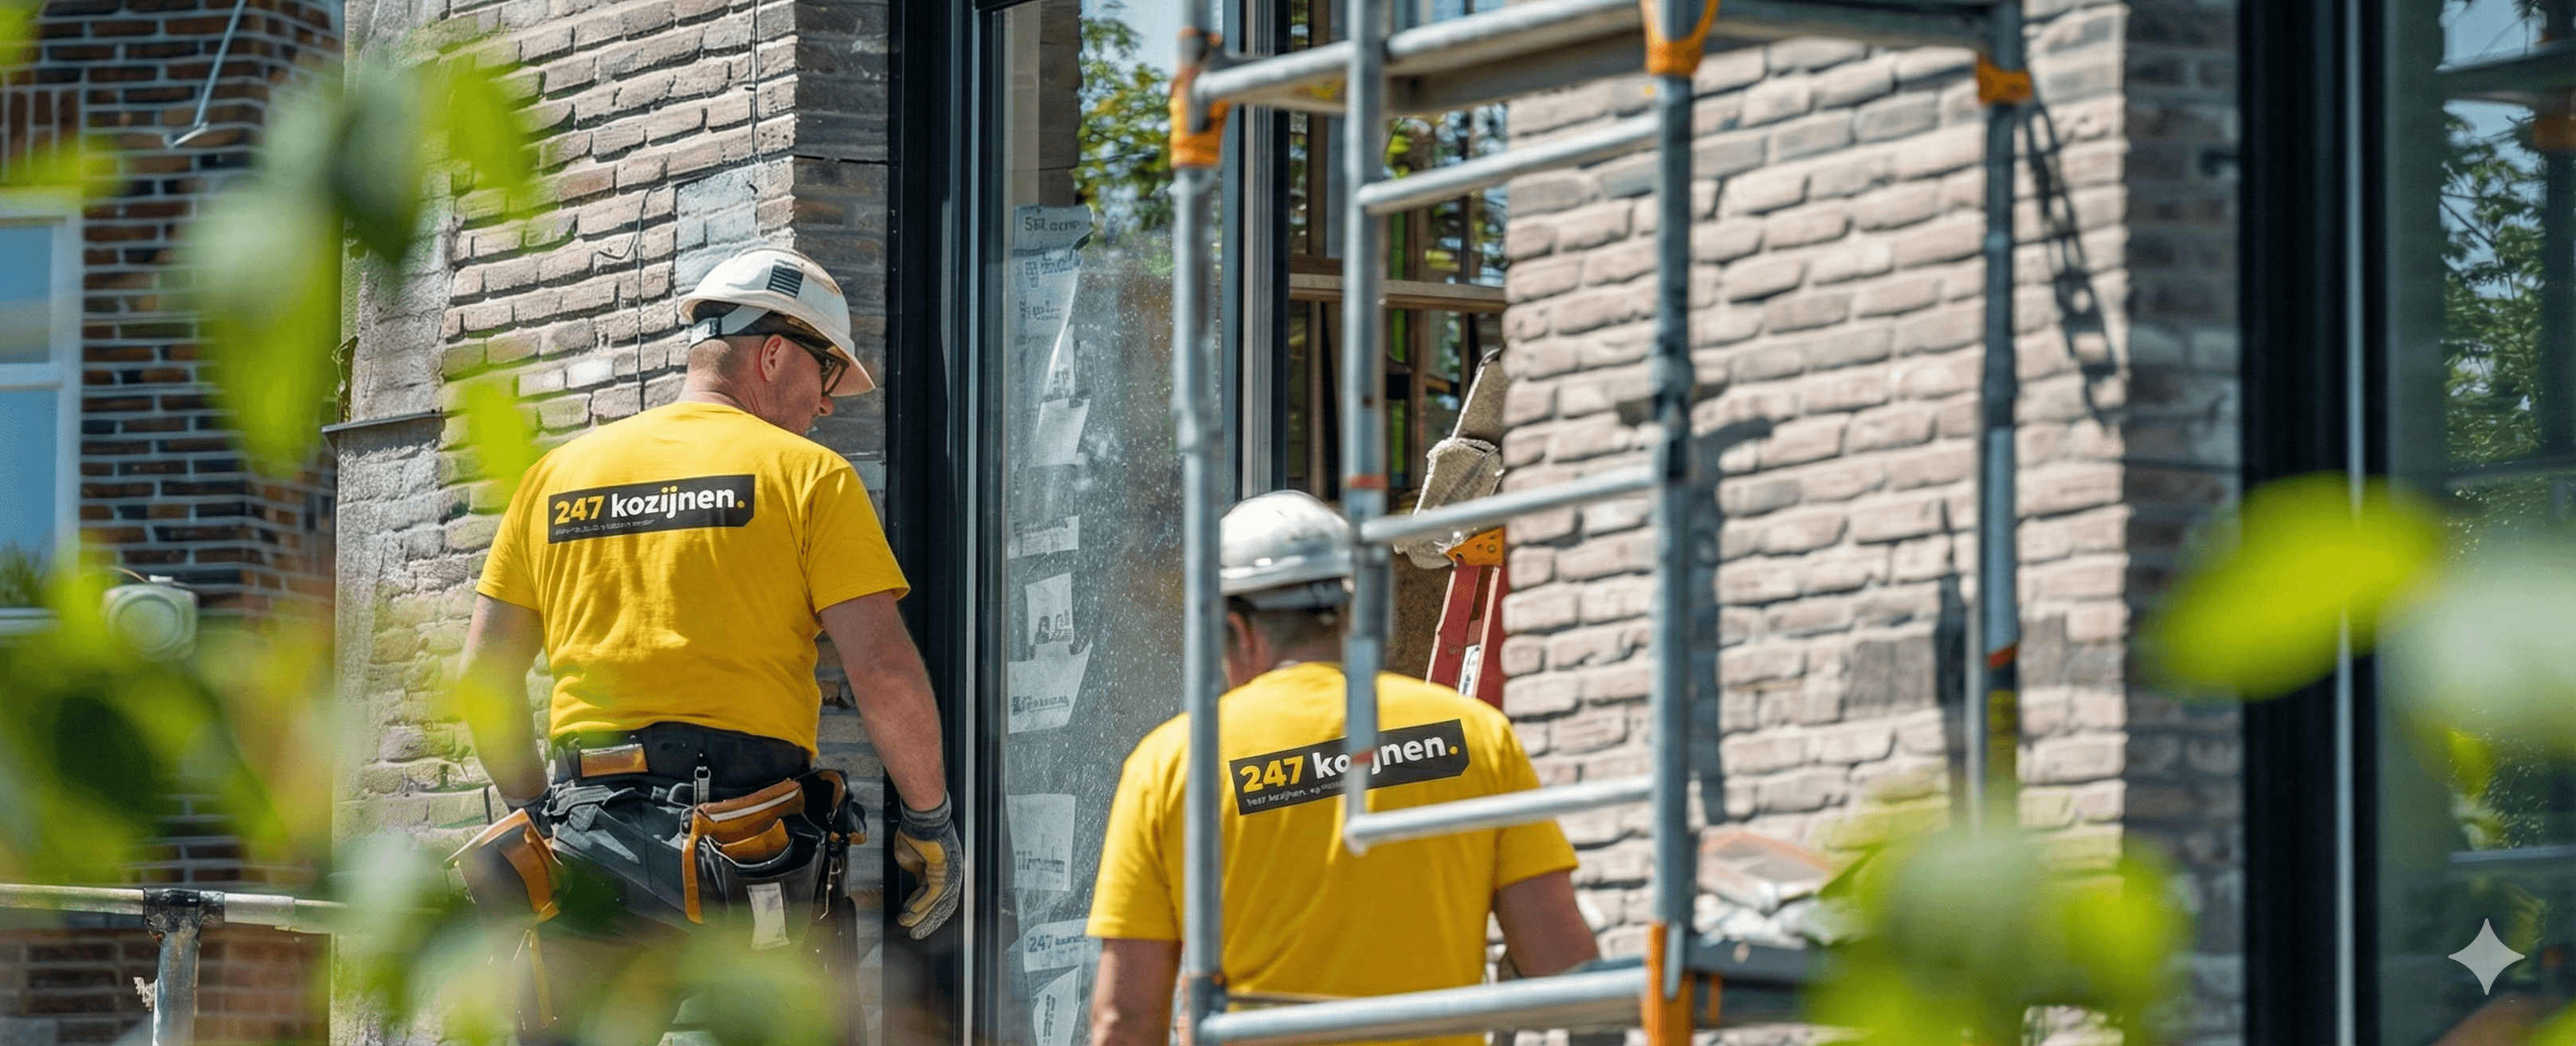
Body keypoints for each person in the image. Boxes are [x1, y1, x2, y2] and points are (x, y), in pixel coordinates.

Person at [454, 246, 961, 1046]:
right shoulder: (807, 476)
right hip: (748, 843)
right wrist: (929, 819)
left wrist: (542, 814)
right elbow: (884, 671)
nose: (827, 408)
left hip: (590, 838)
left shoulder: (555, 476)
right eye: (826, 381)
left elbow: (483, 679)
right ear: (772, 353)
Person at [1084, 490, 1600, 1046]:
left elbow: (1127, 1020)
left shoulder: (1172, 762)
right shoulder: (1475, 734)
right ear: (1355, 614)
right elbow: (1565, 972)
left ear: (1234, 629)